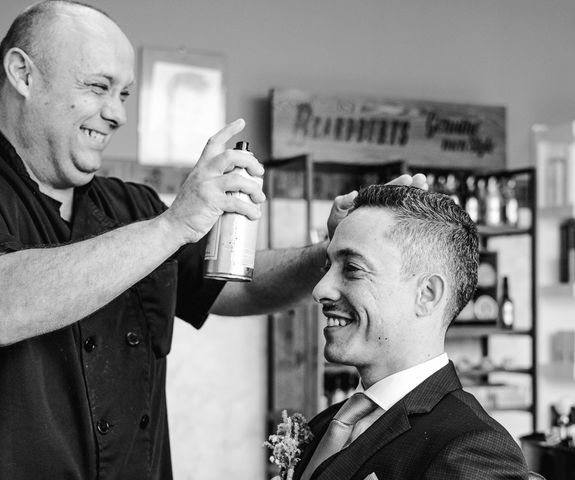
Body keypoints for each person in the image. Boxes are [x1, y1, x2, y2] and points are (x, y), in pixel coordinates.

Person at [0, 1, 426, 479]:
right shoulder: (155, 224)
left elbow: (234, 285)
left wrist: (332, 250)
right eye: (99, 87)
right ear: (22, 73)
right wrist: (172, 226)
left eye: (124, 94)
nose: (117, 113)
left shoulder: (131, 207)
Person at [294, 185, 528, 480]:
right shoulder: (322, 426)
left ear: (427, 294)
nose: (320, 290)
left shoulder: (474, 450)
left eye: (352, 268)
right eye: (328, 267)